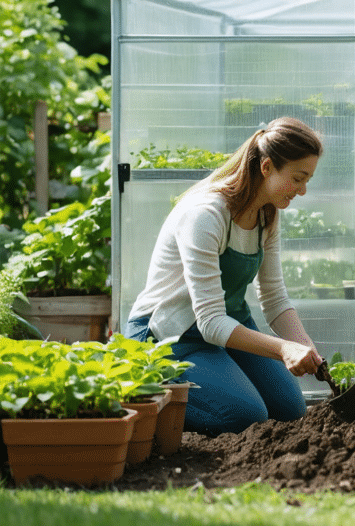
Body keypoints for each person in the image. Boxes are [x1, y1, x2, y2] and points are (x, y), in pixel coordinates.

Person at [125, 117, 326, 435]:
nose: (302, 190)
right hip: (170, 335)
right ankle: (143, 389)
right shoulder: (205, 215)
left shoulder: (267, 214)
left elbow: (274, 297)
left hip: (224, 328)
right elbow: (209, 322)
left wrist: (304, 347)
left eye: (307, 180)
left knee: (289, 409)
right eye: (298, 179)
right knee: (245, 416)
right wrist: (282, 349)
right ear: (267, 167)